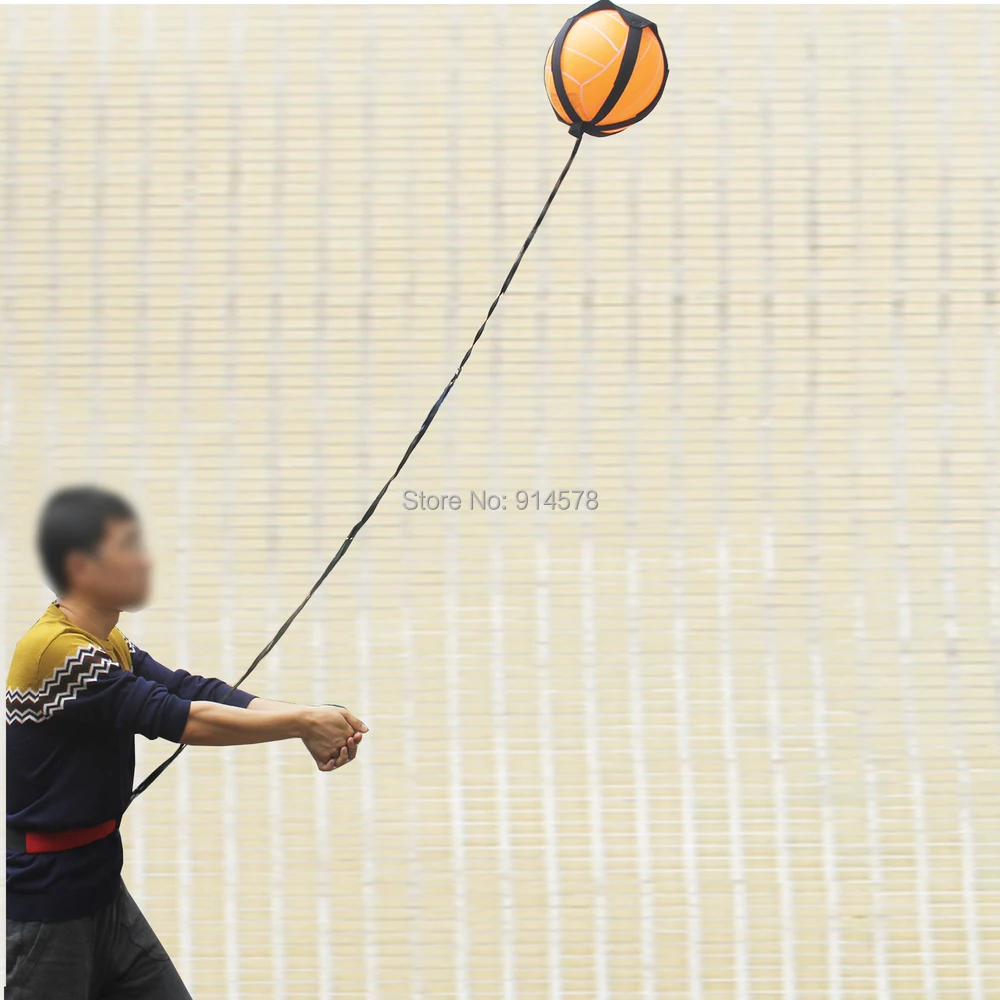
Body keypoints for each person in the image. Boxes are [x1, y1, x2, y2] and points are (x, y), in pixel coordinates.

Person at [6, 485, 368, 999]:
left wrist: (308, 717)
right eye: (128, 546)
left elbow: (191, 690)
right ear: (80, 565)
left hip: (102, 889)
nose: (145, 560)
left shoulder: (108, 644)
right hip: (48, 908)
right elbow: (183, 720)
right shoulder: (55, 652)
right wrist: (303, 723)